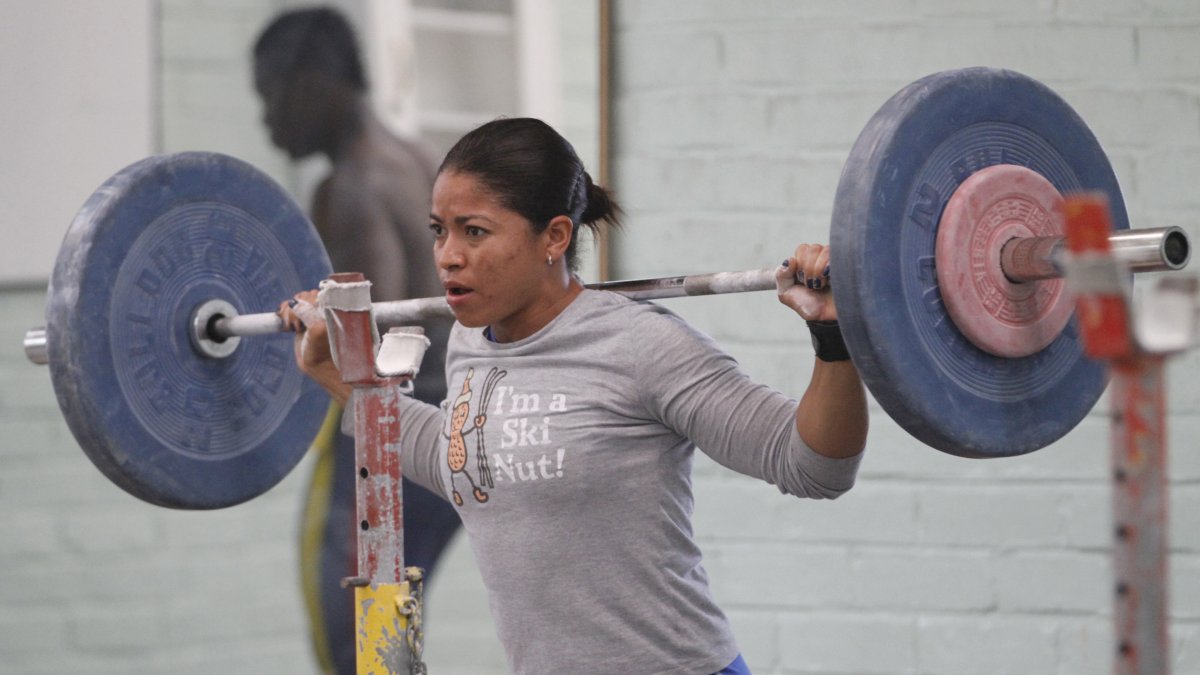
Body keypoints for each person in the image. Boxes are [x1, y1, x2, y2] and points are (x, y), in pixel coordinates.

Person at [279, 117, 868, 674]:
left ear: (554, 237)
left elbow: (816, 467)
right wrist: (337, 375)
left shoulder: (640, 344)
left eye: (475, 231)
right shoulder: (468, 345)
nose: (448, 255)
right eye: (440, 231)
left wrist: (833, 336)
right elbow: (462, 458)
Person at [251, 8, 461, 674]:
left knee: (352, 639)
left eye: (270, 96)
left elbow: (365, 345)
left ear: (312, 84)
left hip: (390, 436)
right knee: (385, 631)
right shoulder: (422, 157)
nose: (267, 119)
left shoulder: (347, 188)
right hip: (461, 421)